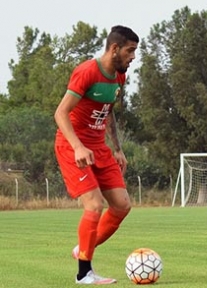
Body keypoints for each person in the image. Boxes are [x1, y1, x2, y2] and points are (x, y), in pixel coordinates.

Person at [54, 25, 139, 284]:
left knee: (122, 205)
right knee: (94, 205)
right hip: (73, 146)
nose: (133, 57)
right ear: (115, 49)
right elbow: (60, 113)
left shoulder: (118, 76)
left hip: (100, 148)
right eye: (130, 51)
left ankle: (83, 248)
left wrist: (117, 148)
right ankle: (84, 273)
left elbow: (108, 111)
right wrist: (78, 146)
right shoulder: (87, 72)